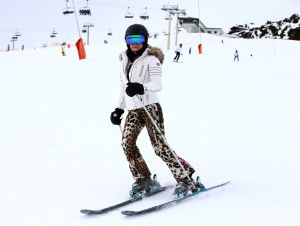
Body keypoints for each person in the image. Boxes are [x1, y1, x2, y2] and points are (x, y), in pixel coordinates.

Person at [110, 24, 204, 197]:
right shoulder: (124, 59)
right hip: (133, 109)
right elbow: (124, 88)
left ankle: (185, 178)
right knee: (126, 143)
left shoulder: (151, 59)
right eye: (131, 39)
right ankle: (143, 178)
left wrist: (141, 88)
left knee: (159, 146)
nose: (135, 43)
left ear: (145, 40)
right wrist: (118, 109)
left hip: (150, 108)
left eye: (139, 39)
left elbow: (157, 84)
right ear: (126, 41)